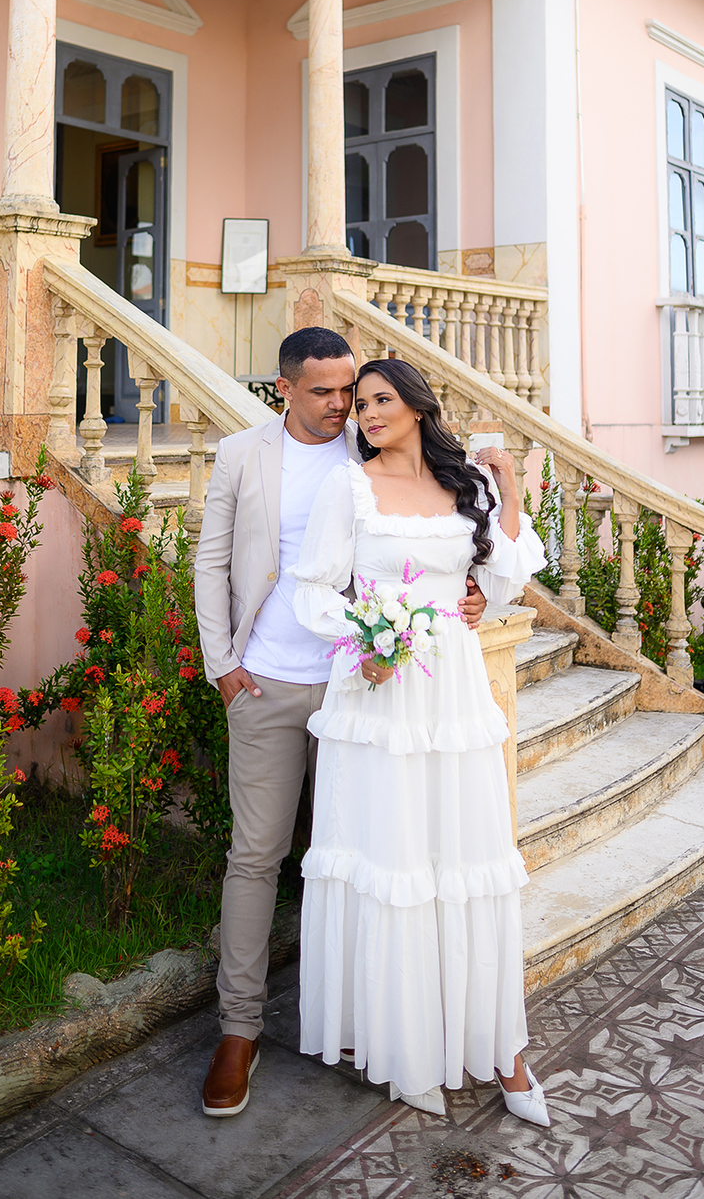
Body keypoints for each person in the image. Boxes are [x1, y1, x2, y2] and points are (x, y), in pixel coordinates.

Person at [194, 328, 487, 1118]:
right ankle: (239, 1030)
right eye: (324, 393)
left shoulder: (379, 455)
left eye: (350, 391)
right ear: (283, 389)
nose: (342, 407)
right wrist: (223, 664)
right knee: (256, 856)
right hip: (270, 683)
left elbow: (438, 550)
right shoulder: (242, 456)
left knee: (371, 855)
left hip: (368, 695)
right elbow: (211, 560)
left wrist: (472, 594)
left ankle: (367, 1020)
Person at [290, 357, 550, 1123]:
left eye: (379, 400)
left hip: (454, 693)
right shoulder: (348, 488)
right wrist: (369, 629)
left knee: (468, 858)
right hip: (377, 692)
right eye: (359, 403)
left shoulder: (467, 481)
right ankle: (406, 1051)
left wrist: (512, 497)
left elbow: (502, 583)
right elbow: (310, 589)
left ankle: (504, 1053)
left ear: (415, 405)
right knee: (394, 858)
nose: (365, 414)